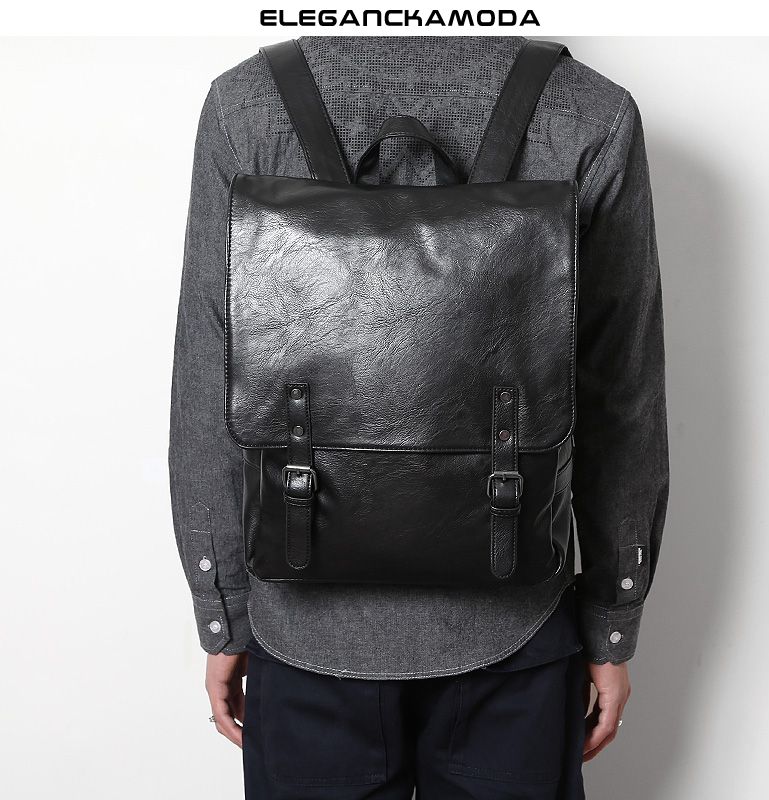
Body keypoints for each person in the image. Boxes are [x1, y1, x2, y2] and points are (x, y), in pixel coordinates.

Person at [169, 35, 668, 799]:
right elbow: (620, 392)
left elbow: (208, 373)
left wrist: (223, 609)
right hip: (515, 630)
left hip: (303, 628)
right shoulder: (590, 111)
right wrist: (611, 617)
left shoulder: (246, 105)